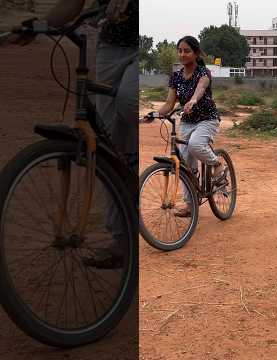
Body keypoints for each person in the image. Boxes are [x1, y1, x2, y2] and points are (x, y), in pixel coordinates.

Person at [7, 0, 138, 268]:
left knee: (128, 101)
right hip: (111, 46)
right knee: (109, 144)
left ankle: (140, 165)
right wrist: (38, 26)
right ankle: (121, 240)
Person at [155, 35, 225, 217]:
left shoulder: (203, 72)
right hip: (187, 122)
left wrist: (193, 100)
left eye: (187, 51)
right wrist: (153, 114)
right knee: (186, 164)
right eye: (180, 51)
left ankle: (217, 163)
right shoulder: (176, 77)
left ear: (196, 53)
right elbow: (169, 104)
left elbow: (201, 88)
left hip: (207, 120)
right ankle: (190, 204)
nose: (182, 54)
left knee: (195, 145)